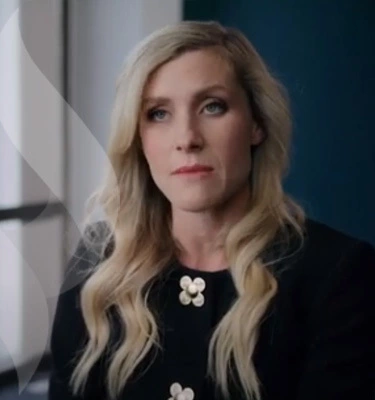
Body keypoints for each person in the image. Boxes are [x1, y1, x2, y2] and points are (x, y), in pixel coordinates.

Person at [48, 20, 375, 400]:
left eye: (212, 107)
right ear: (137, 137)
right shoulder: (99, 261)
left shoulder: (340, 273)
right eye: (158, 113)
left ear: (256, 124)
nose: (187, 138)